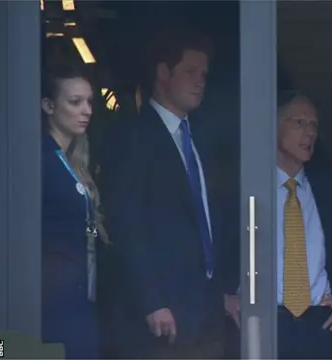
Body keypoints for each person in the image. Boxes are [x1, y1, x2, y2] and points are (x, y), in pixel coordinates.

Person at [100, 26, 234, 358]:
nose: (200, 80)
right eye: (191, 71)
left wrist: (223, 293)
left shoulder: (201, 138)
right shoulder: (132, 136)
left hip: (206, 313)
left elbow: (210, 220)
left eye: (204, 73)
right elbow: (126, 224)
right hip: (162, 319)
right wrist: (153, 301)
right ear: (163, 72)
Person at [226, 91, 332, 359]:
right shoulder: (244, 189)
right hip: (260, 323)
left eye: (313, 124)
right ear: (274, 127)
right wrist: (222, 298)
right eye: (299, 123)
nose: (310, 132)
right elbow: (217, 246)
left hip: (321, 326)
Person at [41, 63, 107, 359]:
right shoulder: (39, 157)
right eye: (75, 102)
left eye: (90, 101)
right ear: (49, 106)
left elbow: (85, 225)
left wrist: (96, 232)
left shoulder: (75, 159)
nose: (87, 110)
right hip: (50, 300)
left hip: (80, 297)